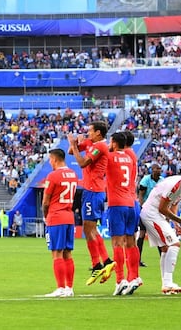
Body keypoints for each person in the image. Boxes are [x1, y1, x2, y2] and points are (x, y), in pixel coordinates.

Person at [140, 167, 181, 294]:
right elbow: (162, 208)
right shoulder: (174, 185)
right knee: (174, 244)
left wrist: (176, 223)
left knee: (165, 248)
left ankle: (166, 285)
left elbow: (173, 204)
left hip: (155, 214)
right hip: (152, 214)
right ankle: (168, 282)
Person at [68, 121, 114, 285]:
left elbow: (81, 162)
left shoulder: (100, 146)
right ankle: (103, 263)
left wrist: (75, 144)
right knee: (90, 229)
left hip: (94, 191)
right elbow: (70, 151)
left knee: (88, 228)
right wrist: (75, 144)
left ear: (99, 133)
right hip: (91, 190)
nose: (88, 133)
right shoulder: (92, 143)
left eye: (90, 131)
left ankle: (100, 263)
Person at [105, 132, 141, 296]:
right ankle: (134, 277)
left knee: (117, 243)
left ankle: (120, 280)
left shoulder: (112, 156)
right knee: (130, 241)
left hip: (118, 203)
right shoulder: (131, 156)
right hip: (132, 202)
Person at [42, 148, 77, 298]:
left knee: (56, 253)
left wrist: (45, 216)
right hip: (69, 217)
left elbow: (45, 201)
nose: (50, 162)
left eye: (50, 159)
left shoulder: (53, 176)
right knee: (67, 253)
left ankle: (60, 287)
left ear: (55, 159)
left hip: (56, 217)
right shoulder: (73, 175)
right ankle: (69, 287)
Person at [137, 164, 163, 266]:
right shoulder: (146, 180)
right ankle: (137, 260)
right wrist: (143, 207)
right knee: (142, 234)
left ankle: (163, 259)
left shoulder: (162, 180)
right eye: (157, 169)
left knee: (158, 234)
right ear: (152, 170)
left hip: (156, 210)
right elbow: (140, 195)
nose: (159, 170)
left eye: (160, 168)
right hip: (146, 209)